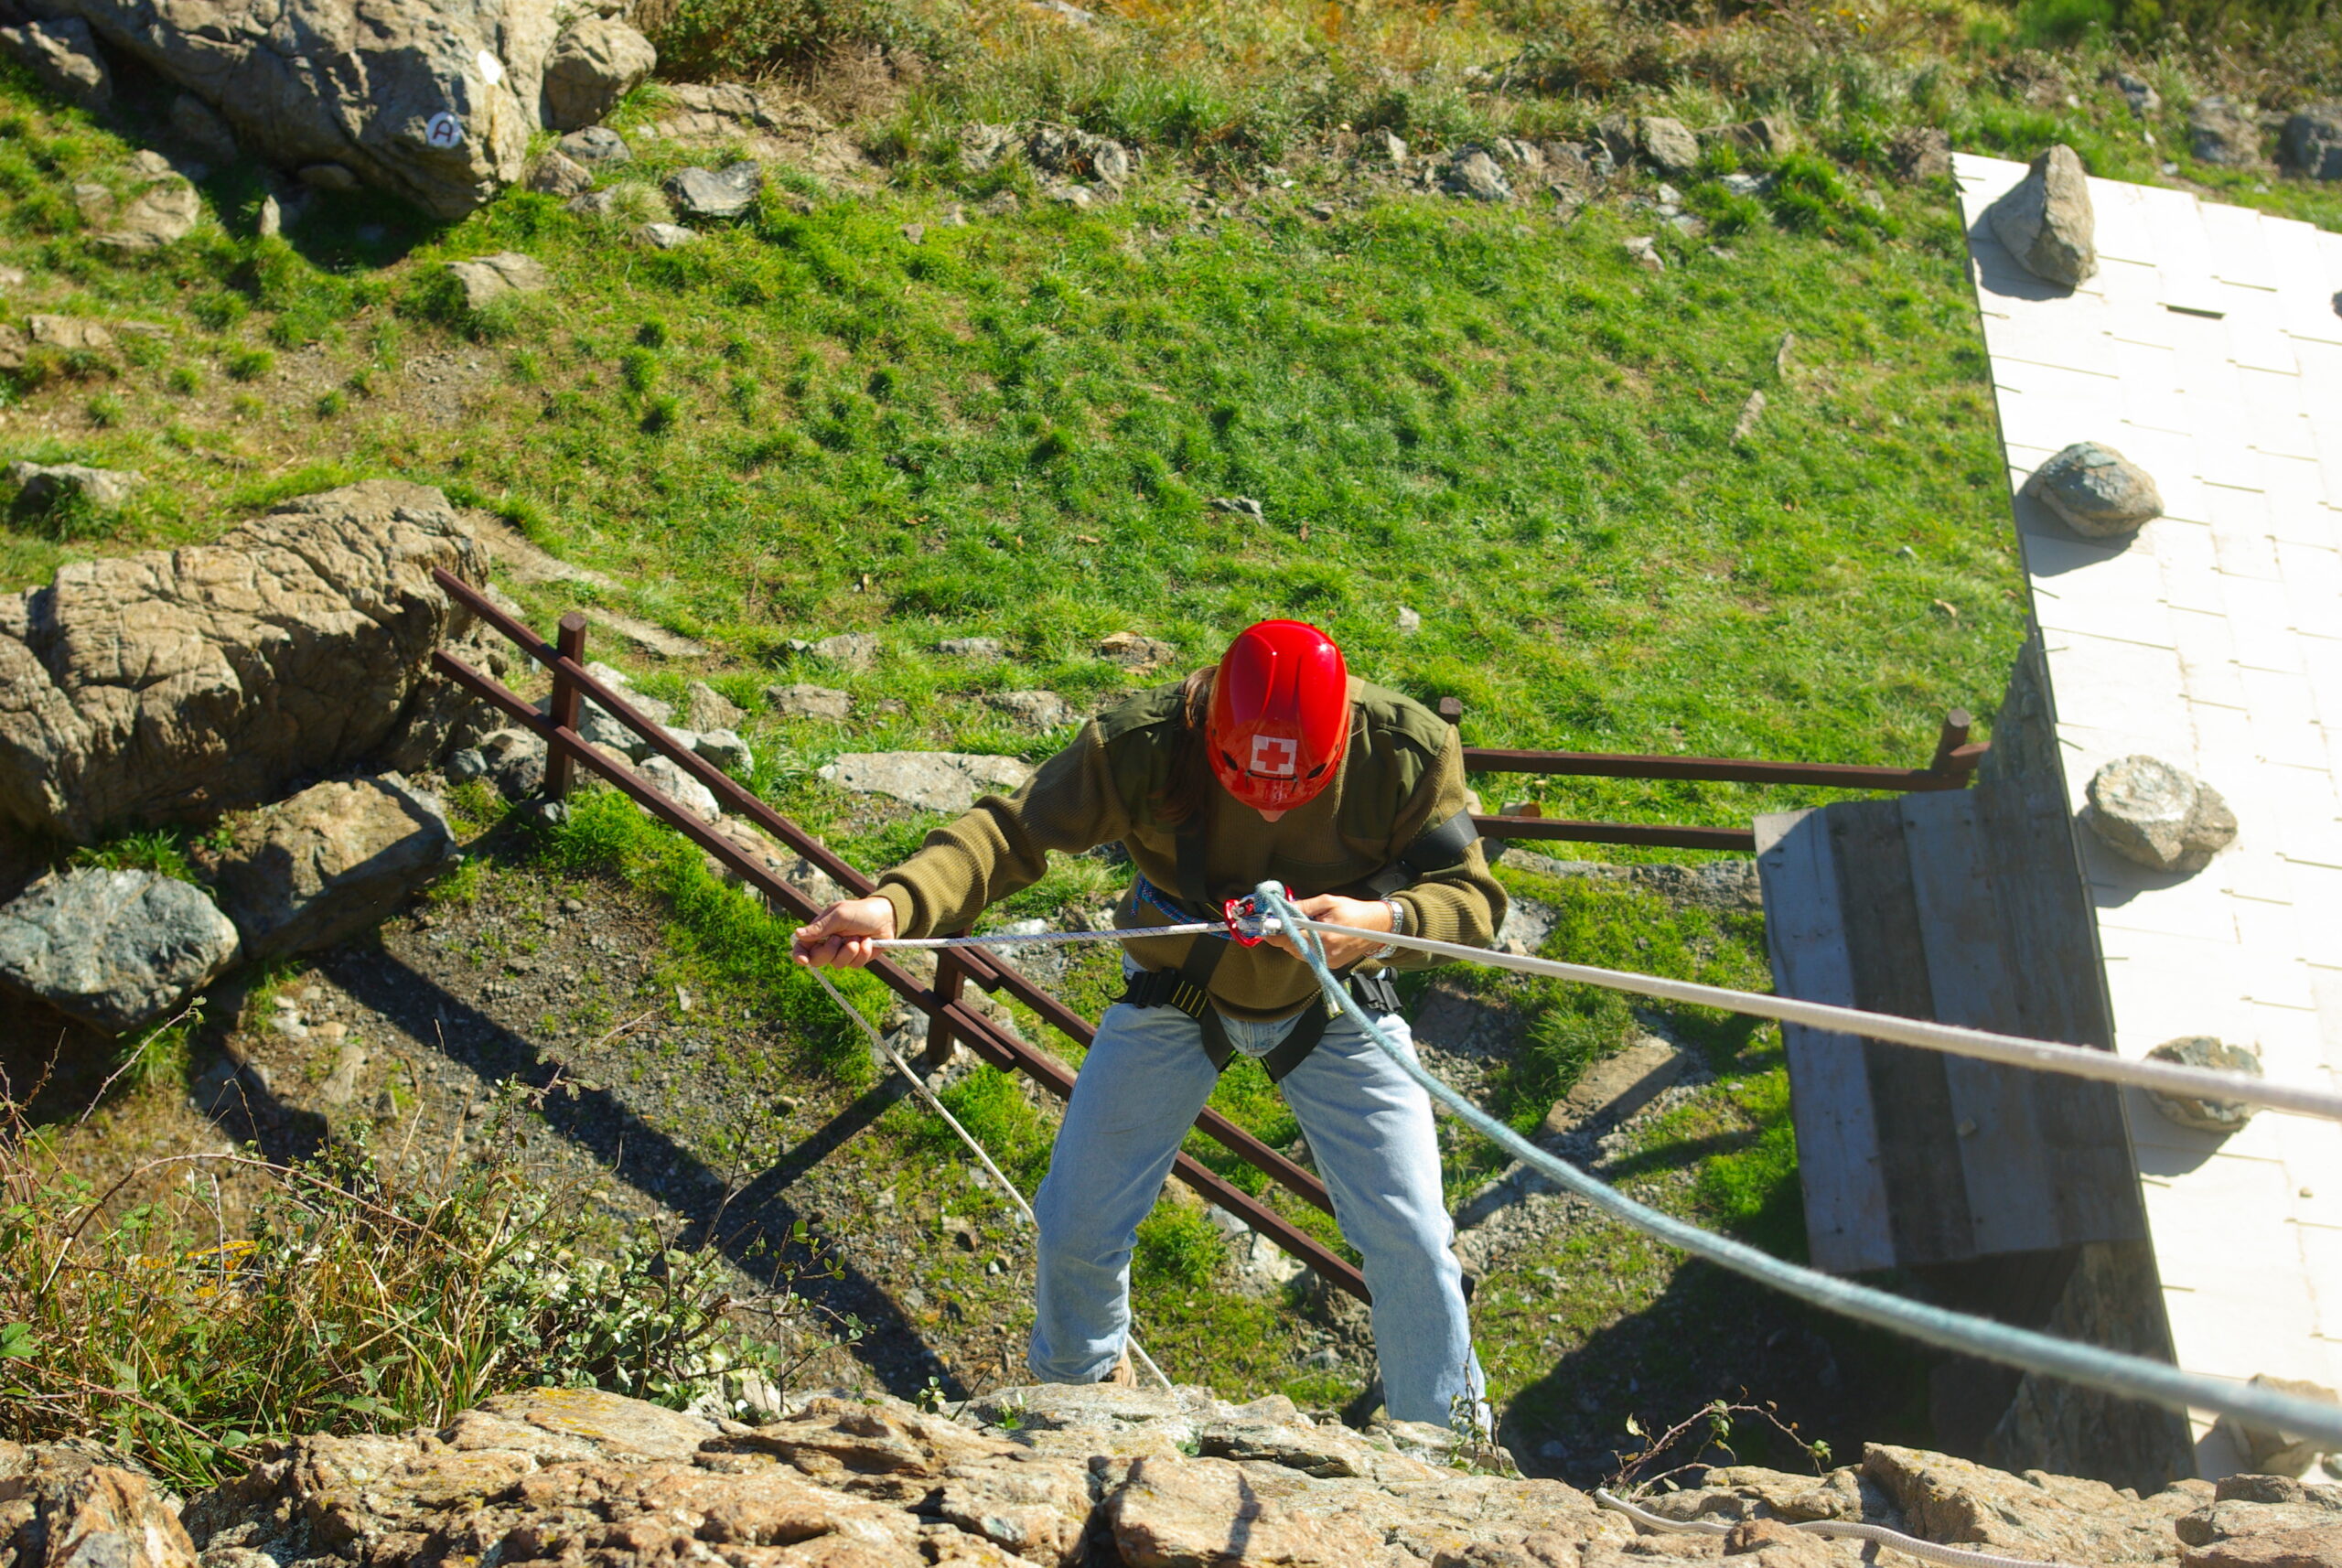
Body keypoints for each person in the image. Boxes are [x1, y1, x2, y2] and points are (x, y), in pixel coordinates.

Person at [792, 619, 1505, 1422]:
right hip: (1181, 991)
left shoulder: (1403, 753)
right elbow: (1011, 831)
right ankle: (1075, 1398)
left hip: (1332, 1001)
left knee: (1413, 1243)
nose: (1270, 812)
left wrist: (1387, 922)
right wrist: (894, 906)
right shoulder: (1145, 744)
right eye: (1244, 780)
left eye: (1296, 785)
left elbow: (1474, 901)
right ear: (1211, 733)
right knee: (1074, 1220)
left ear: (1340, 739)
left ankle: (1448, 1448)